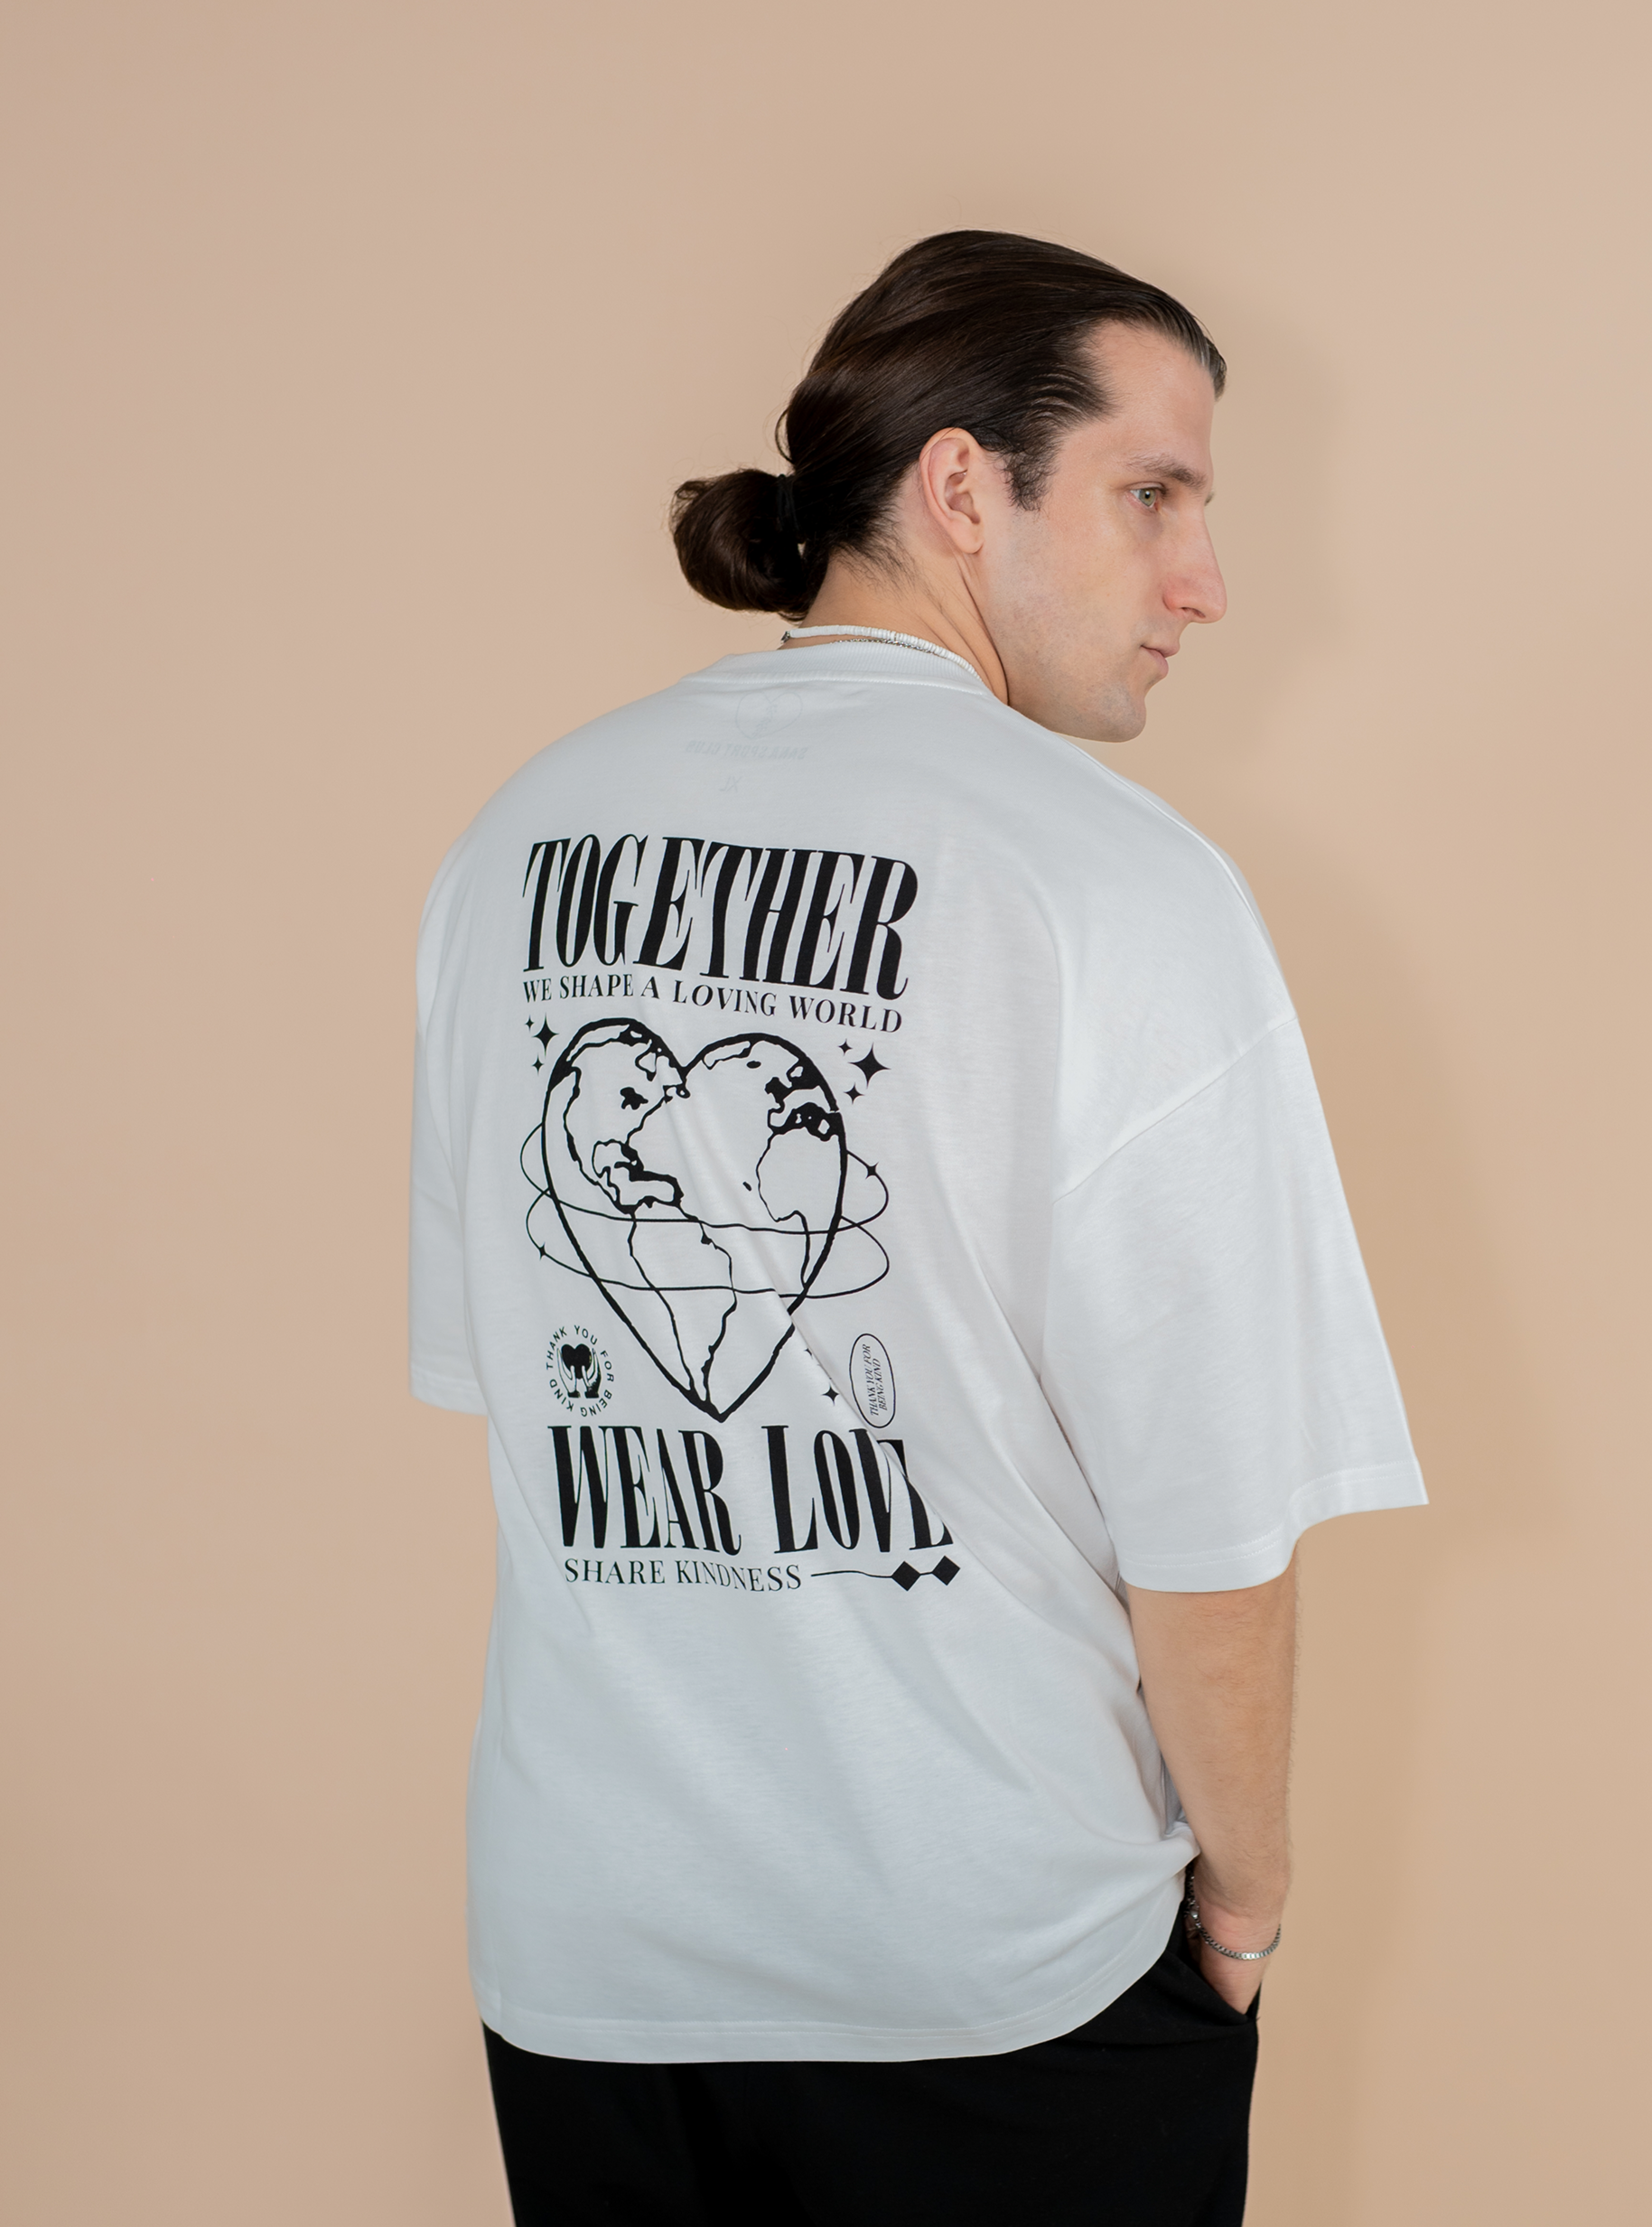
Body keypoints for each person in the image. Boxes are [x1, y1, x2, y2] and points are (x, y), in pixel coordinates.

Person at [409, 229, 1424, 2226]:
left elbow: (519, 1386)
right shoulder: (1118, 886)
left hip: (591, 1957)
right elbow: (1213, 1534)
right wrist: (1245, 1896)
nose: (1205, 581)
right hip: (998, 1978)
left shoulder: (517, 837)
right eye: (1154, 493)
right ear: (964, 487)